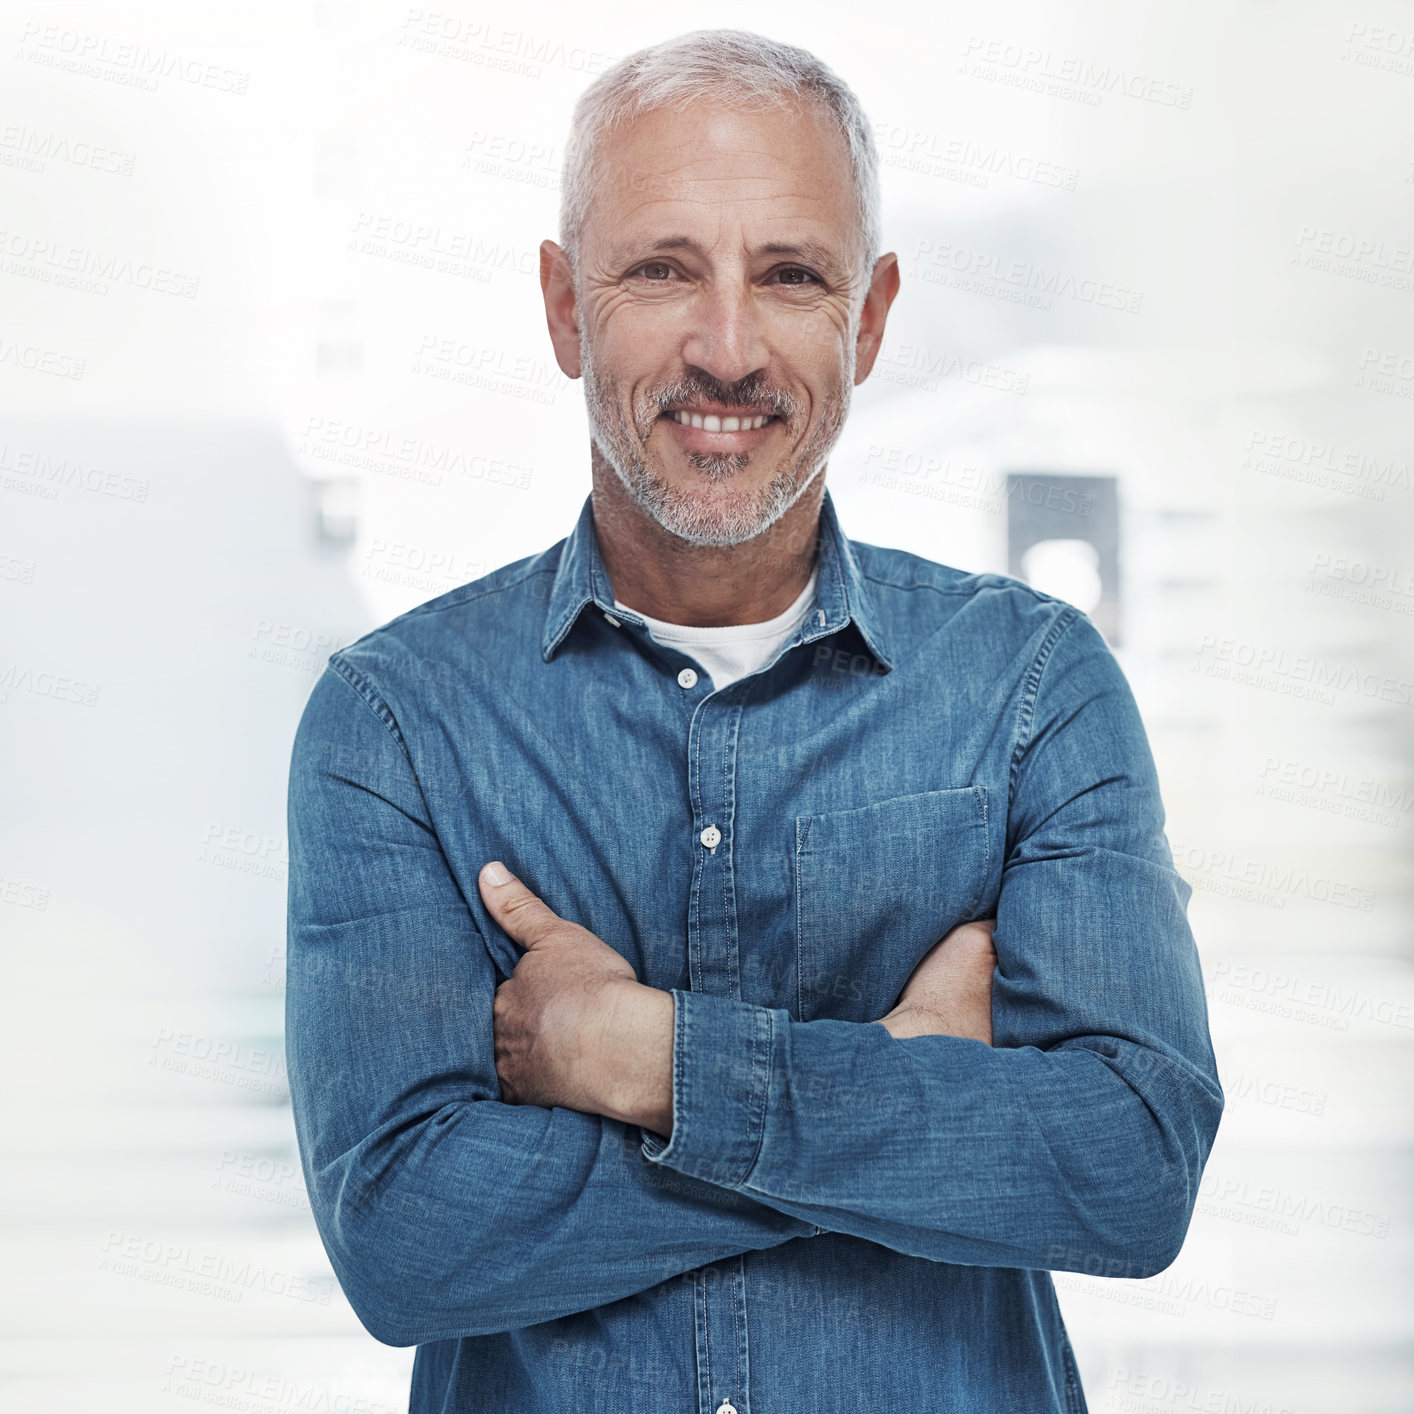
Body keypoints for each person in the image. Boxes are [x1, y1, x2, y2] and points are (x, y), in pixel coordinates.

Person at [285, 28, 1222, 1413]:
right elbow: (408, 1236)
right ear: (560, 307)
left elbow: (1127, 1169)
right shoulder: (398, 723)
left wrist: (640, 1057)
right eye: (662, 270)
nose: (725, 349)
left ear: (873, 315)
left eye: (790, 276)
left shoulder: (1030, 689)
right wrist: (900, 1087)